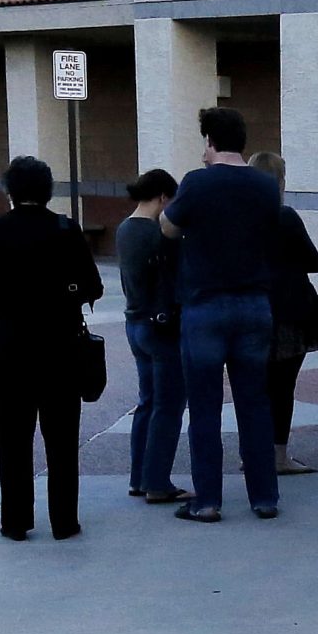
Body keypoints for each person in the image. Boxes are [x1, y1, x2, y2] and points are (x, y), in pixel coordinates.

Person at [0, 156, 103, 541]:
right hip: (60, 344)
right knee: (62, 437)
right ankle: (64, 520)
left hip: (9, 344)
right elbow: (92, 286)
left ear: (9, 190)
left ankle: (15, 520)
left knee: (12, 435)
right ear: (48, 190)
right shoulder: (66, 229)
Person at [158, 107, 283, 522]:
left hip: (205, 305)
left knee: (205, 407)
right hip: (254, 304)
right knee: (255, 403)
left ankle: (207, 500)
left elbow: (168, 227)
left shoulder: (197, 182)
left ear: (210, 140)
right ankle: (264, 497)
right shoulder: (265, 185)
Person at [247, 151, 318, 477]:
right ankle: (278, 455)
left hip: (251, 311)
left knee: (254, 388)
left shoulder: (239, 220)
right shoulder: (286, 217)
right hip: (289, 314)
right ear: (279, 182)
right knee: (282, 388)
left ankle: (254, 451)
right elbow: (313, 262)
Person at [116, 169, 188, 504]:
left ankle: (139, 477)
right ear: (162, 197)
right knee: (169, 404)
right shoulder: (158, 233)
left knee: (147, 402)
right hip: (161, 327)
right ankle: (157, 481)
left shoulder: (124, 229)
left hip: (135, 322)